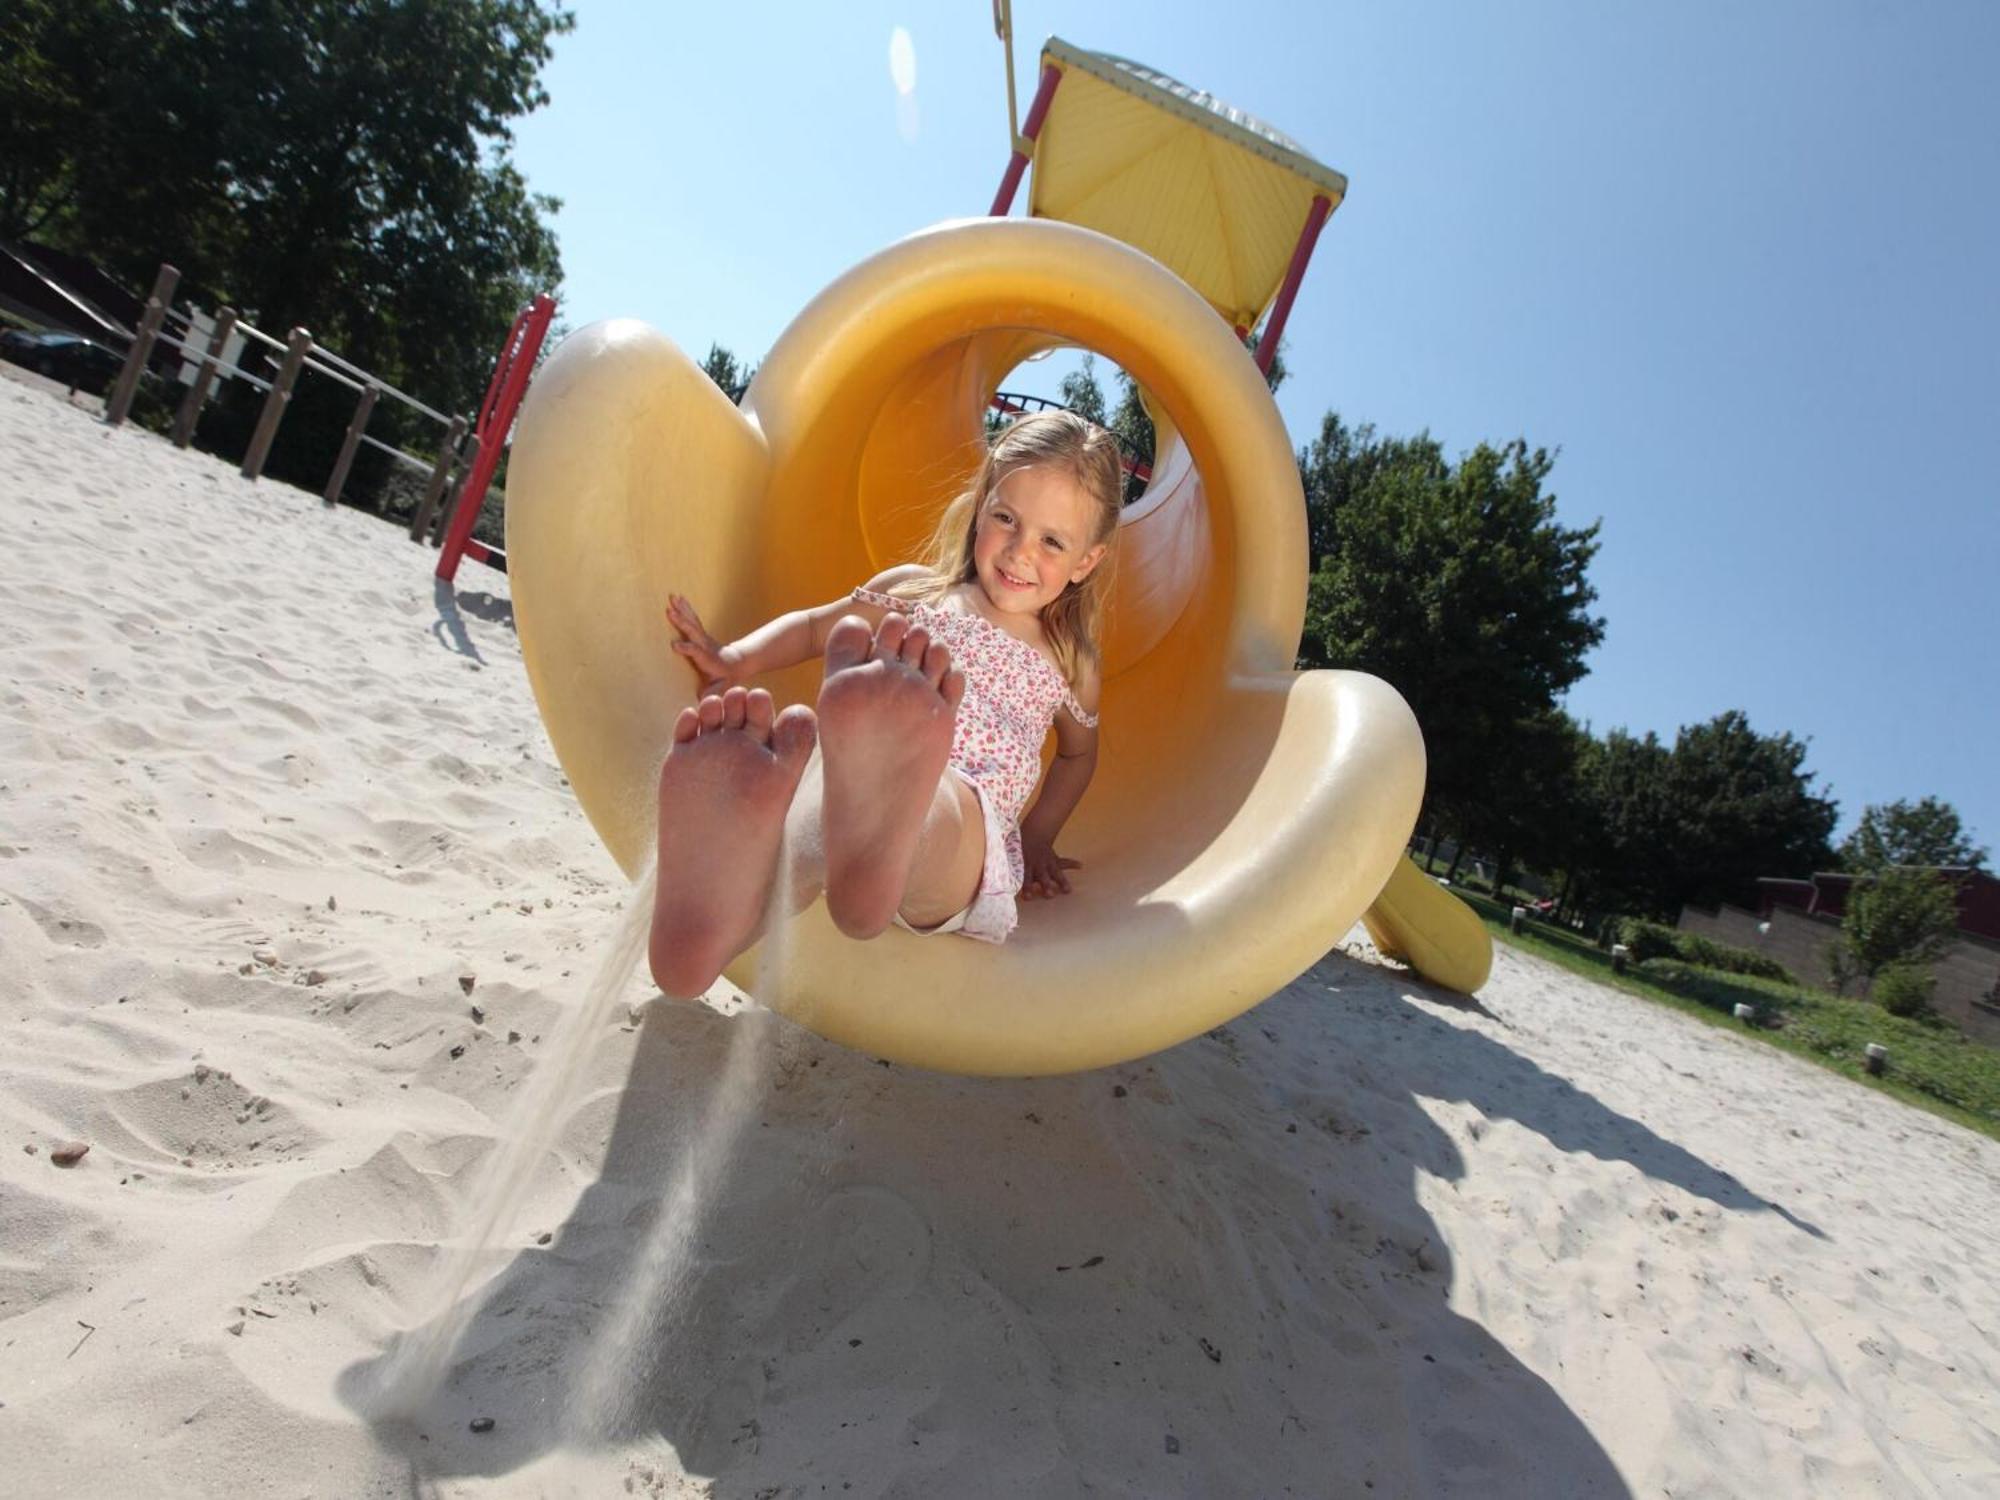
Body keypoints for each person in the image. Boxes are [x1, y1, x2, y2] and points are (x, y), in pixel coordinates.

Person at [648, 409, 1122, 999]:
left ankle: (881, 833)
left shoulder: (1069, 660)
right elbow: (818, 628)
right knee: (826, 801)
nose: (1019, 552)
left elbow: (1079, 755)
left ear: (1087, 561)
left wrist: (1040, 835)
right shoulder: (918, 593)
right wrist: (735, 658)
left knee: (932, 805)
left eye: (1052, 541)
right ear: (981, 506)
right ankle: (708, 940)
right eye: (1006, 518)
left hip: (964, 817)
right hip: (853, 790)